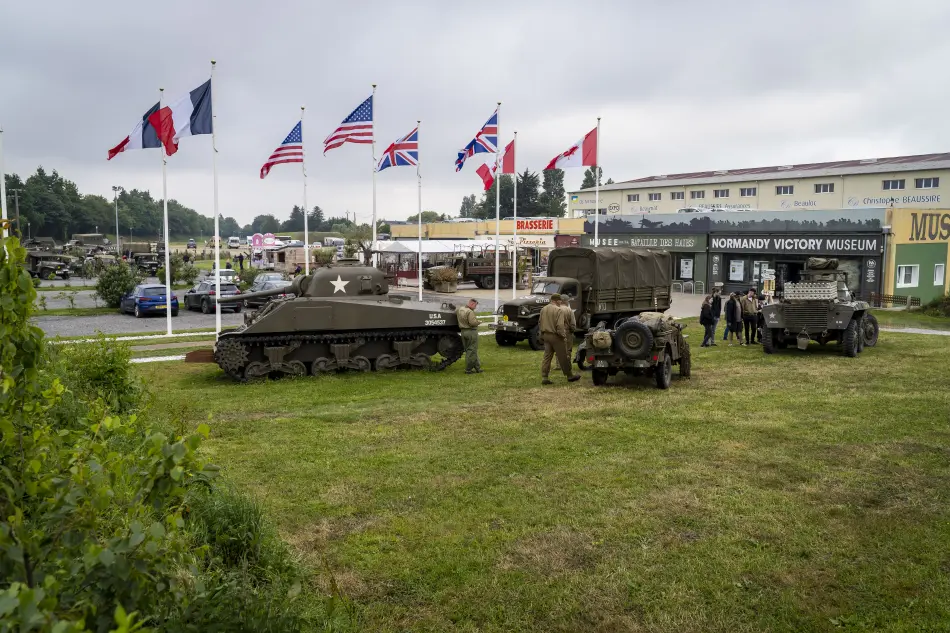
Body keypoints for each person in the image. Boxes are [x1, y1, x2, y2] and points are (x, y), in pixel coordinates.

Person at [539, 294, 580, 384]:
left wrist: (542, 334)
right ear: (556, 300)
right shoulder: (559, 310)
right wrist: (563, 336)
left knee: (547, 357)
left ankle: (544, 377)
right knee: (564, 356)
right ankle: (569, 376)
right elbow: (560, 326)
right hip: (556, 336)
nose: (561, 302)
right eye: (560, 300)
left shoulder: (543, 309)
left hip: (546, 335)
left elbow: (540, 323)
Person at [456, 298, 482, 374]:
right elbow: (472, 323)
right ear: (472, 304)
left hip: (463, 332)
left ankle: (477, 367)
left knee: (470, 350)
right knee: (472, 351)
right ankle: (468, 369)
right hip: (471, 332)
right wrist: (479, 322)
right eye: (475, 305)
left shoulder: (460, 309)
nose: (475, 307)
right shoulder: (470, 312)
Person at [555, 294, 577, 371]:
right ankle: (567, 365)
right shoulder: (569, 310)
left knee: (558, 348)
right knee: (568, 349)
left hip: (557, 332)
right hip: (567, 332)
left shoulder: (556, 309)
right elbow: (573, 323)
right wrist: (573, 330)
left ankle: (558, 365)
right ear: (566, 301)